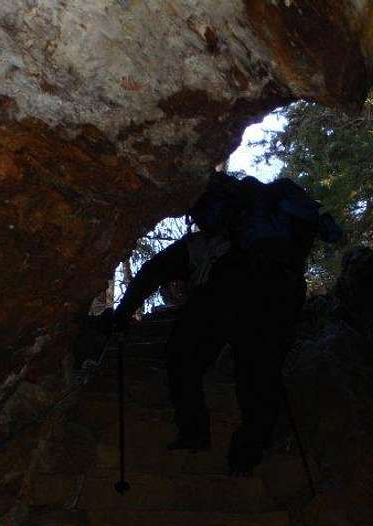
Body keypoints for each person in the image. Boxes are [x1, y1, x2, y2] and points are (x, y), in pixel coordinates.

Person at [100, 173, 343, 475]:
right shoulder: (276, 222)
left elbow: (153, 271)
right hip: (285, 290)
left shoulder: (208, 242)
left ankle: (194, 434)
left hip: (230, 286)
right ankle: (245, 459)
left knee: (183, 355)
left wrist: (122, 315)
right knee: (260, 375)